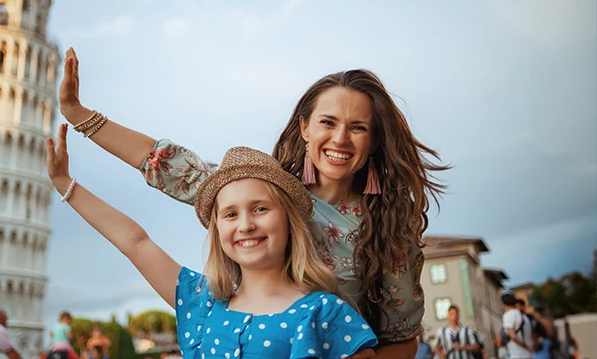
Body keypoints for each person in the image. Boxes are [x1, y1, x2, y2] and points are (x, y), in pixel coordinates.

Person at [57, 48, 449, 357]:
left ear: (374, 140)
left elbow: (401, 339)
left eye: (358, 127)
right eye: (328, 122)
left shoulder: (389, 236)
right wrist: (80, 117)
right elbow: (164, 162)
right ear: (305, 128)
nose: (341, 139)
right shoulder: (264, 194)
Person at [44, 123, 378, 357]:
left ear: (290, 223)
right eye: (230, 214)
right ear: (218, 231)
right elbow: (135, 241)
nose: (245, 225)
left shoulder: (325, 313)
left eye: (260, 209)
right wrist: (65, 186)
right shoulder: (201, 302)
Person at [502, 293, 533, 359]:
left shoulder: (508, 315)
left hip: (517, 354)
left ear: (504, 305)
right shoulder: (524, 316)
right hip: (528, 354)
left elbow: (513, 337)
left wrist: (525, 347)